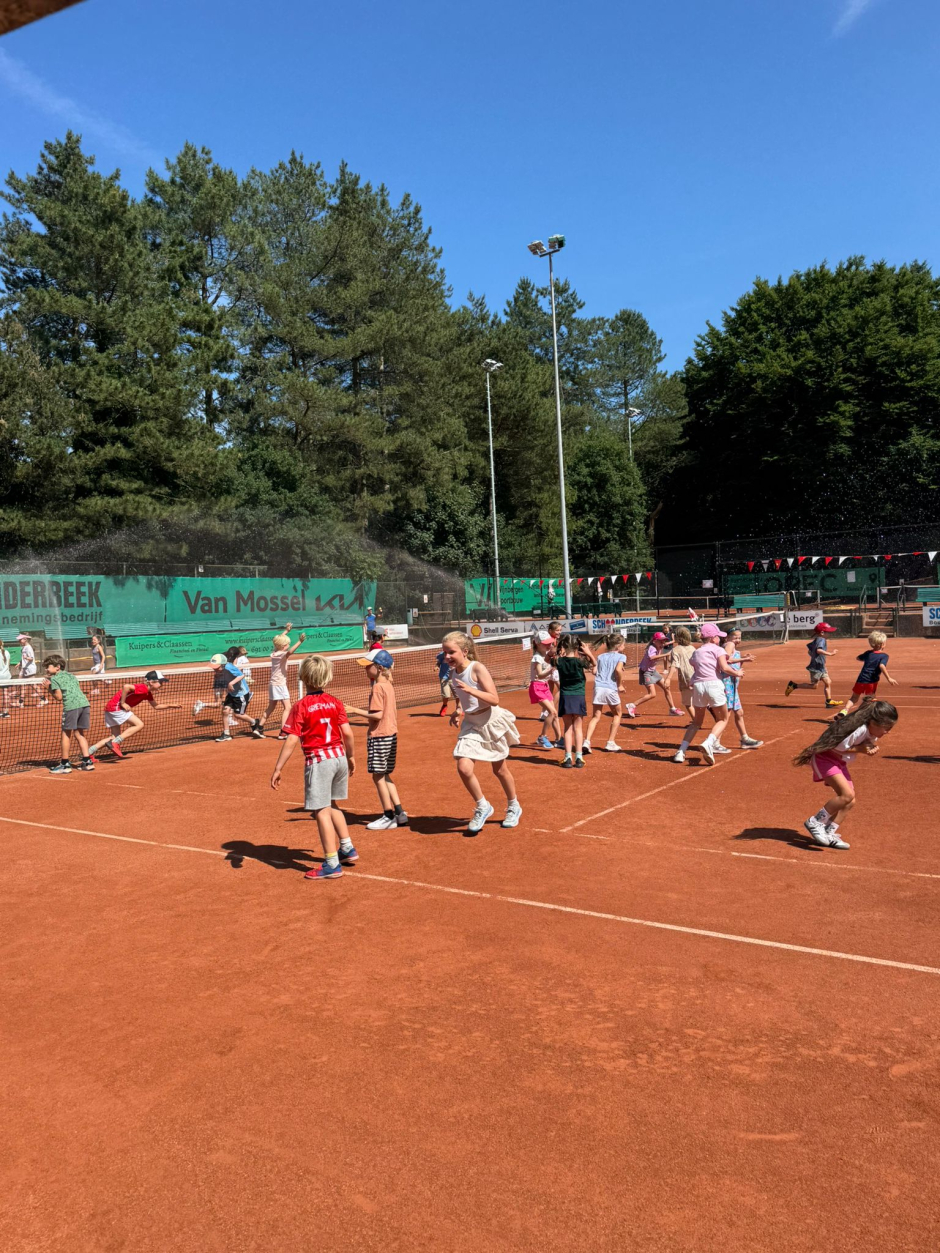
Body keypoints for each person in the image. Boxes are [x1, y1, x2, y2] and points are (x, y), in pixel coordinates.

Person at [271, 653, 358, 882]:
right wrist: (350, 756)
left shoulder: (301, 706)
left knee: (321, 810)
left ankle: (332, 863)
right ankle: (347, 847)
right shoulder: (336, 702)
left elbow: (292, 739)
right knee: (332, 804)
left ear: (303, 677)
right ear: (327, 677)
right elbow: (347, 733)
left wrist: (278, 767)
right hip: (338, 757)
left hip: (319, 761)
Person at [443, 630, 522, 833]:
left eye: (451, 652)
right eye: (445, 652)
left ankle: (513, 805)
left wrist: (472, 690)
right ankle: (482, 806)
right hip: (471, 724)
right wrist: (458, 710)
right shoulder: (453, 672)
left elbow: (494, 699)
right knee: (464, 768)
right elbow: (461, 696)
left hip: (490, 722)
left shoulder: (477, 668)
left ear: (464, 651)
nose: (447, 656)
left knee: (499, 770)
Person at [793, 700, 898, 849]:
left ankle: (828, 831)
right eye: (886, 727)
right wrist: (861, 749)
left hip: (838, 762)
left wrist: (868, 747)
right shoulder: (858, 730)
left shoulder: (871, 732)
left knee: (850, 801)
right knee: (846, 795)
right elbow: (838, 747)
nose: (888, 731)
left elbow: (862, 745)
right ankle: (815, 822)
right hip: (825, 759)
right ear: (873, 723)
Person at [348, 648, 409, 830]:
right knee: (385, 774)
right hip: (391, 735)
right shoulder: (388, 685)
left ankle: (388, 815)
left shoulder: (377, 687)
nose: (365, 669)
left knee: (378, 776)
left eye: (368, 666)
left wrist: (353, 710)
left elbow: (377, 715)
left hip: (379, 736)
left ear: (380, 668)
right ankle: (400, 813)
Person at [672, 622, 740, 765]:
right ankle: (709, 742)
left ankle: (681, 751)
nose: (720, 639)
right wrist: (737, 673)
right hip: (714, 685)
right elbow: (724, 667)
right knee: (723, 719)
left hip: (698, 686)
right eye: (718, 637)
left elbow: (696, 669)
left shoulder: (697, 652)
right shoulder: (718, 650)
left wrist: (693, 681)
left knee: (696, 722)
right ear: (713, 638)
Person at [88, 671, 181, 759]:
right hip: (116, 708)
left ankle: (89, 752)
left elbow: (156, 706)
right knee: (139, 724)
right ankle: (115, 742)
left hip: (110, 708)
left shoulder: (147, 693)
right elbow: (126, 687)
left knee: (114, 736)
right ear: (151, 682)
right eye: (160, 682)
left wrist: (171, 705)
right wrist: (123, 703)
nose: (162, 684)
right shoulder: (143, 688)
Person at [712, 628, 763, 752]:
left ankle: (744, 739)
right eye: (735, 637)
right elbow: (726, 660)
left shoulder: (733, 647)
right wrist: (744, 659)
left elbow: (734, 665)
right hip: (727, 684)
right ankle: (715, 742)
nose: (738, 640)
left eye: (739, 637)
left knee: (739, 712)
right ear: (727, 638)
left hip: (732, 685)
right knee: (726, 714)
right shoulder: (729, 645)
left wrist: (742, 660)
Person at [43, 654, 93, 773]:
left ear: (57, 667)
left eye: (48, 667)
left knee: (66, 734)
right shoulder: (71, 675)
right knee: (79, 733)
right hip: (84, 704)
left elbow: (59, 697)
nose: (46, 669)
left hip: (71, 707)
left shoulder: (54, 679)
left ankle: (65, 764)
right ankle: (87, 762)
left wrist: (48, 688)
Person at [555, 633, 594, 768]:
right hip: (578, 696)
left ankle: (567, 758)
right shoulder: (579, 662)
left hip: (565, 696)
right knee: (578, 728)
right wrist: (588, 652)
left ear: (564, 646)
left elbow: (549, 659)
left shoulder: (559, 661)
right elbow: (594, 664)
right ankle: (579, 757)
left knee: (567, 728)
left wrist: (558, 651)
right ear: (578, 647)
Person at [261, 623, 307, 738]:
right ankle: (283, 732)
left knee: (271, 707)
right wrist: (300, 641)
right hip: (280, 684)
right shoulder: (282, 655)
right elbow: (290, 652)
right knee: (287, 707)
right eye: (287, 644)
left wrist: (287, 631)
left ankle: (259, 727)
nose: (288, 645)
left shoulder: (274, 653)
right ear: (283, 646)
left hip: (273, 684)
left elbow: (278, 642)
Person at [584, 632, 627, 753]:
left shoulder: (601, 656)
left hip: (598, 687)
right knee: (617, 714)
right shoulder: (621, 657)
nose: (624, 647)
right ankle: (610, 742)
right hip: (610, 688)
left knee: (595, 716)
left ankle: (586, 741)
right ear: (618, 646)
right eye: (623, 645)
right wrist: (620, 685)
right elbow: (618, 670)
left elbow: (595, 671)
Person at [838, 631, 899, 717]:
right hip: (871, 681)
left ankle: (845, 710)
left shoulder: (868, 653)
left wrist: (867, 659)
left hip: (861, 679)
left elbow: (858, 658)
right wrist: (889, 678)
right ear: (882, 644)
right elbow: (881, 666)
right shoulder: (884, 656)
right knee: (871, 699)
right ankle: (860, 715)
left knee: (854, 698)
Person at [784, 622, 842, 708]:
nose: (829, 634)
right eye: (828, 632)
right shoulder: (821, 640)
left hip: (820, 666)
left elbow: (810, 651)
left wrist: (817, 659)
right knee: (814, 686)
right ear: (822, 632)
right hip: (816, 667)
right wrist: (830, 653)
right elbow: (818, 650)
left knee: (828, 682)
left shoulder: (817, 640)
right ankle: (793, 685)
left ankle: (829, 702)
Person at [214, 647, 263, 741]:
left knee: (238, 715)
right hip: (232, 693)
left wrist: (231, 683)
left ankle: (254, 722)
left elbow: (241, 675)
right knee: (225, 711)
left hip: (241, 694)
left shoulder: (230, 667)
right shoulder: (223, 665)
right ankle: (226, 734)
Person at [529, 631, 561, 750]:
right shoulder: (537, 657)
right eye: (546, 644)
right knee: (552, 712)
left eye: (549, 643)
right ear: (538, 644)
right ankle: (542, 737)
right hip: (537, 687)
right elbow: (540, 675)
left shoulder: (547, 654)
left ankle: (559, 739)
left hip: (545, 687)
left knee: (554, 714)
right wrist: (550, 670)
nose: (549, 645)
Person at [632, 631, 673, 716]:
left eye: (663, 640)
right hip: (646, 672)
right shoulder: (652, 648)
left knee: (666, 687)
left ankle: (672, 709)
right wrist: (666, 655)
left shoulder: (659, 646)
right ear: (654, 641)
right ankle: (632, 705)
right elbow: (651, 657)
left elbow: (667, 644)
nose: (662, 642)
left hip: (653, 671)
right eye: (660, 640)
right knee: (652, 694)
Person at [192, 653, 231, 721]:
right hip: (222, 683)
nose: (215, 669)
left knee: (218, 704)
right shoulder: (227, 669)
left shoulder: (225, 669)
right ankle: (229, 719)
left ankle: (202, 704)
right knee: (229, 701)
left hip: (218, 683)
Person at [668, 626, 696, 720]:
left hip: (686, 679)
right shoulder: (692, 648)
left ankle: (696, 721)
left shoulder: (676, 649)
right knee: (699, 701)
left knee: (688, 703)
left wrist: (668, 678)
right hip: (696, 677)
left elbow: (674, 664)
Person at [14, 632, 46, 707]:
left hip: (30, 669)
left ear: (25, 639)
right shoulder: (24, 647)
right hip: (25, 669)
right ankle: (21, 702)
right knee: (22, 685)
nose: (19, 641)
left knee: (33, 685)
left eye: (20, 639)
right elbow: (23, 658)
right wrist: (19, 663)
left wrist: (26, 658)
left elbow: (31, 658)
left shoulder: (28, 648)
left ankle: (43, 699)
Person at [436, 646, 458, 717]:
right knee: (446, 695)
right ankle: (444, 706)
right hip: (444, 677)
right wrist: (437, 666)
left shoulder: (456, 654)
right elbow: (438, 662)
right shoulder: (442, 655)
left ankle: (459, 707)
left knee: (458, 695)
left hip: (454, 677)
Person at [0, 639, 12, 718]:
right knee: (6, 694)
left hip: (1, 677)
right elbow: (8, 664)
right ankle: (6, 712)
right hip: (7, 676)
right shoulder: (7, 652)